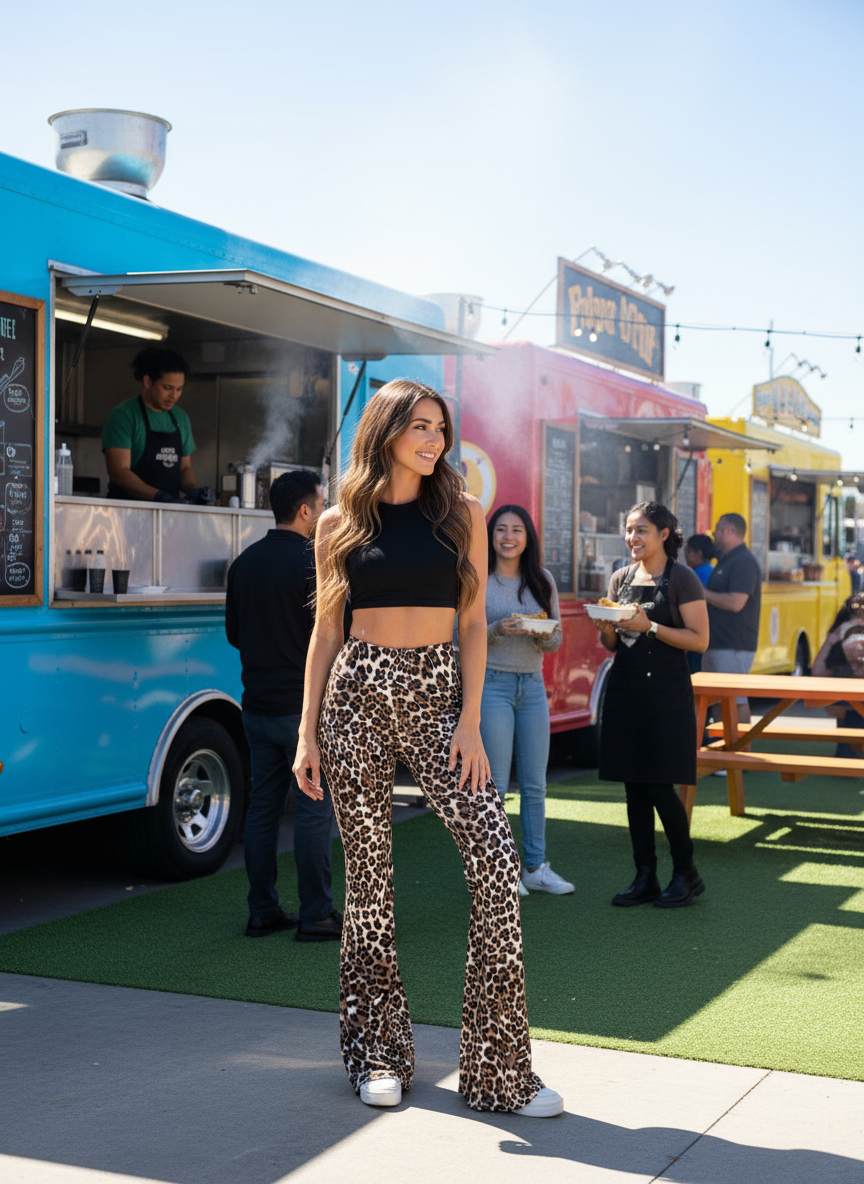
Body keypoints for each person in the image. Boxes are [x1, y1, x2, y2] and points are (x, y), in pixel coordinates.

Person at [293, 379, 562, 1117]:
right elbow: (326, 633)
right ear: (385, 432)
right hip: (357, 694)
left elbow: (473, 623)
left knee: (496, 863)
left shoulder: (464, 514)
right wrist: (306, 729)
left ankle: (501, 1072)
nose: (433, 439)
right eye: (418, 426)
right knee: (370, 884)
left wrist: (470, 717)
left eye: (439, 427)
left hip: (441, 696)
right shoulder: (340, 520)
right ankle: (377, 1053)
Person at [226, 468, 341, 942]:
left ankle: (262, 910)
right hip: (305, 713)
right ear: (305, 510)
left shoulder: (244, 562)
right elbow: (335, 636)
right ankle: (316, 915)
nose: (327, 512)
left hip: (255, 705)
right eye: (323, 503)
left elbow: (234, 634)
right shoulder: (314, 562)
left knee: (262, 809)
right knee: (313, 810)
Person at [594, 501, 709, 908]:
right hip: (626, 691)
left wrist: (652, 626)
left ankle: (686, 873)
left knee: (661, 786)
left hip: (666, 693)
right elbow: (612, 646)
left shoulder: (683, 579)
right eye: (628, 529)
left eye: (641, 530)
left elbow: (699, 640)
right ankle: (645, 875)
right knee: (634, 788)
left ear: (664, 534)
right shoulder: (620, 578)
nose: (632, 538)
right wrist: (606, 629)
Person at [480, 504, 572, 896]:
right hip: (491, 685)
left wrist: (541, 633)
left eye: (517, 530)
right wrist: (497, 629)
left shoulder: (542, 579)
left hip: (532, 686)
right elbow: (456, 637)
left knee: (535, 783)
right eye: (501, 529)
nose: (508, 537)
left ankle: (535, 866)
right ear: (491, 535)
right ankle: (499, 872)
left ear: (527, 537)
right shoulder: (477, 578)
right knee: (496, 785)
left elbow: (555, 640)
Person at [102, 346, 214, 504]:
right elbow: (119, 472)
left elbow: (185, 468)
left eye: (179, 389)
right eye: (167, 388)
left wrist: (194, 490)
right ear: (148, 382)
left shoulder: (180, 418)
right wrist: (158, 496)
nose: (174, 395)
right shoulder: (124, 415)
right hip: (127, 513)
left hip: (168, 516)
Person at [703, 513, 762, 724]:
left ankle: (741, 752)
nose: (714, 534)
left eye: (718, 529)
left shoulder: (744, 561)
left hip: (734, 645)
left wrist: (703, 593)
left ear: (729, 531)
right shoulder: (726, 560)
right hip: (717, 642)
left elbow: (736, 603)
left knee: (735, 701)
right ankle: (724, 751)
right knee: (718, 701)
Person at [811, 593, 864, 758]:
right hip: (850, 705)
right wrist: (832, 639)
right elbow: (818, 674)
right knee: (851, 711)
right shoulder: (840, 644)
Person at [684, 534, 717, 675]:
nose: (685, 555)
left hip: (696, 635)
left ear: (699, 553)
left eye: (688, 551)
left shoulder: (697, 575)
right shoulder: (713, 571)